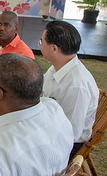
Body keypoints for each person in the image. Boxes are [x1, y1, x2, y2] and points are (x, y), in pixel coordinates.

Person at [38, 20, 99, 159]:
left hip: (65, 144)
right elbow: (41, 87)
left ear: (54, 48)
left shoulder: (77, 86)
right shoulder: (59, 66)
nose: (39, 45)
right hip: (48, 125)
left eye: (41, 41)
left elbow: (71, 133)